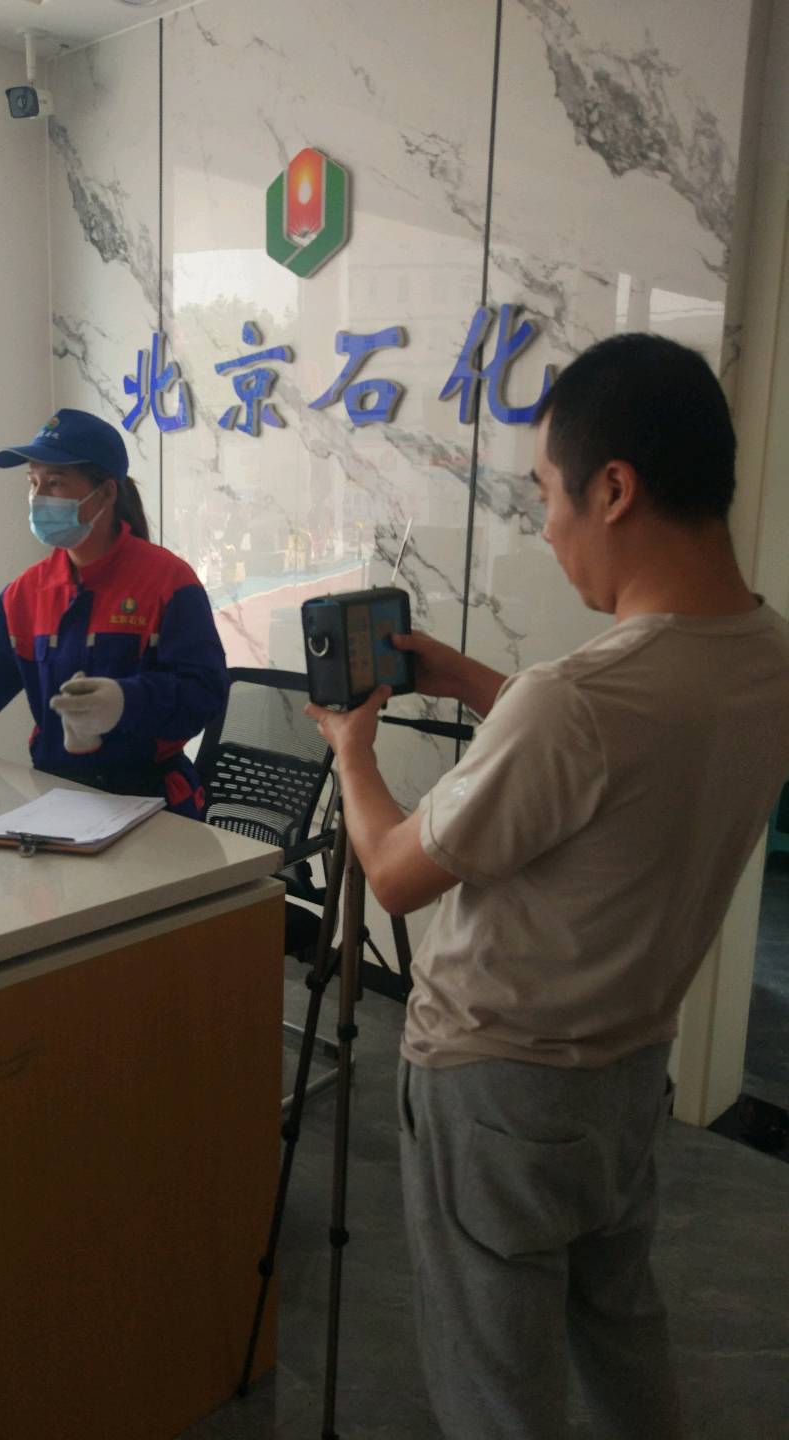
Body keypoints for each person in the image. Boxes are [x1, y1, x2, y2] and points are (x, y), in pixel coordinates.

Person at [306, 333, 789, 1439]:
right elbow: (620, 758)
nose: (546, 524)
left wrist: (353, 753)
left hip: (498, 1090)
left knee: (497, 1386)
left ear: (613, 490)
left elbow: (395, 875)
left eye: (546, 494)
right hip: (626, 1071)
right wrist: (478, 682)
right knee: (620, 1329)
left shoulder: (575, 701)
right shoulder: (767, 657)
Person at [0, 408, 228, 818]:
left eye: (55, 482)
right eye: (33, 482)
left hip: (152, 801)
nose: (39, 496)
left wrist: (126, 701)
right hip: (57, 795)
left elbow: (206, 693)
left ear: (106, 494)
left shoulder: (168, 582)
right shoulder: (26, 593)